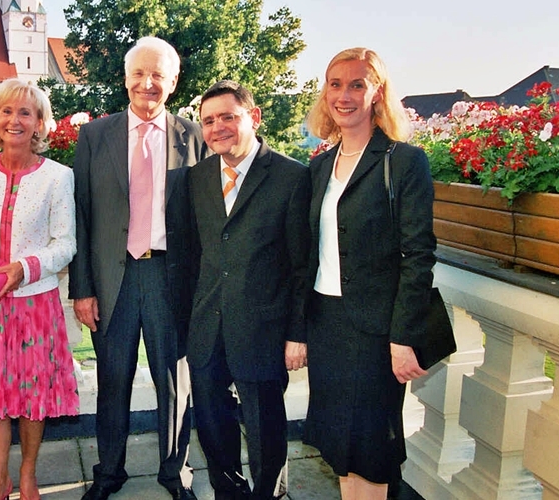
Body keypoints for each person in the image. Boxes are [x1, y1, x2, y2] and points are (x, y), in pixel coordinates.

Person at [68, 36, 207, 500]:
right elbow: (82, 214)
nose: (147, 84)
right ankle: (109, 471)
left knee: (174, 384)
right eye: (139, 74)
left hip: (171, 279)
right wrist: (83, 289)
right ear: (126, 78)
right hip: (114, 279)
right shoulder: (94, 136)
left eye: (158, 75)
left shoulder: (196, 137)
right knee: (112, 381)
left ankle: (175, 473)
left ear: (173, 81)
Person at [303, 47, 437, 500]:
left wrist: (403, 336)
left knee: (372, 449)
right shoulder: (319, 165)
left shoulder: (403, 161)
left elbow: (418, 255)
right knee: (341, 445)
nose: (344, 95)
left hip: (377, 332)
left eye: (357, 84)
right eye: (335, 84)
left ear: (377, 93)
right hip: (327, 325)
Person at [0, 78, 80, 500]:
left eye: (25, 112)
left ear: (40, 124)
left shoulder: (60, 177)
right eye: (6, 111)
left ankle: (27, 473)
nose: (14, 120)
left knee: (31, 398)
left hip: (35, 304)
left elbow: (66, 244)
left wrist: (23, 268)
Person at [186, 80, 311, 500]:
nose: (217, 127)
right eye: (208, 121)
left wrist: (297, 333)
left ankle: (268, 495)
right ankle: (228, 492)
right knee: (211, 422)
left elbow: (301, 266)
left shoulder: (293, 177)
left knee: (265, 429)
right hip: (207, 325)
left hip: (264, 329)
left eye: (228, 117)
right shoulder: (198, 178)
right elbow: (196, 253)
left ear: (253, 118)